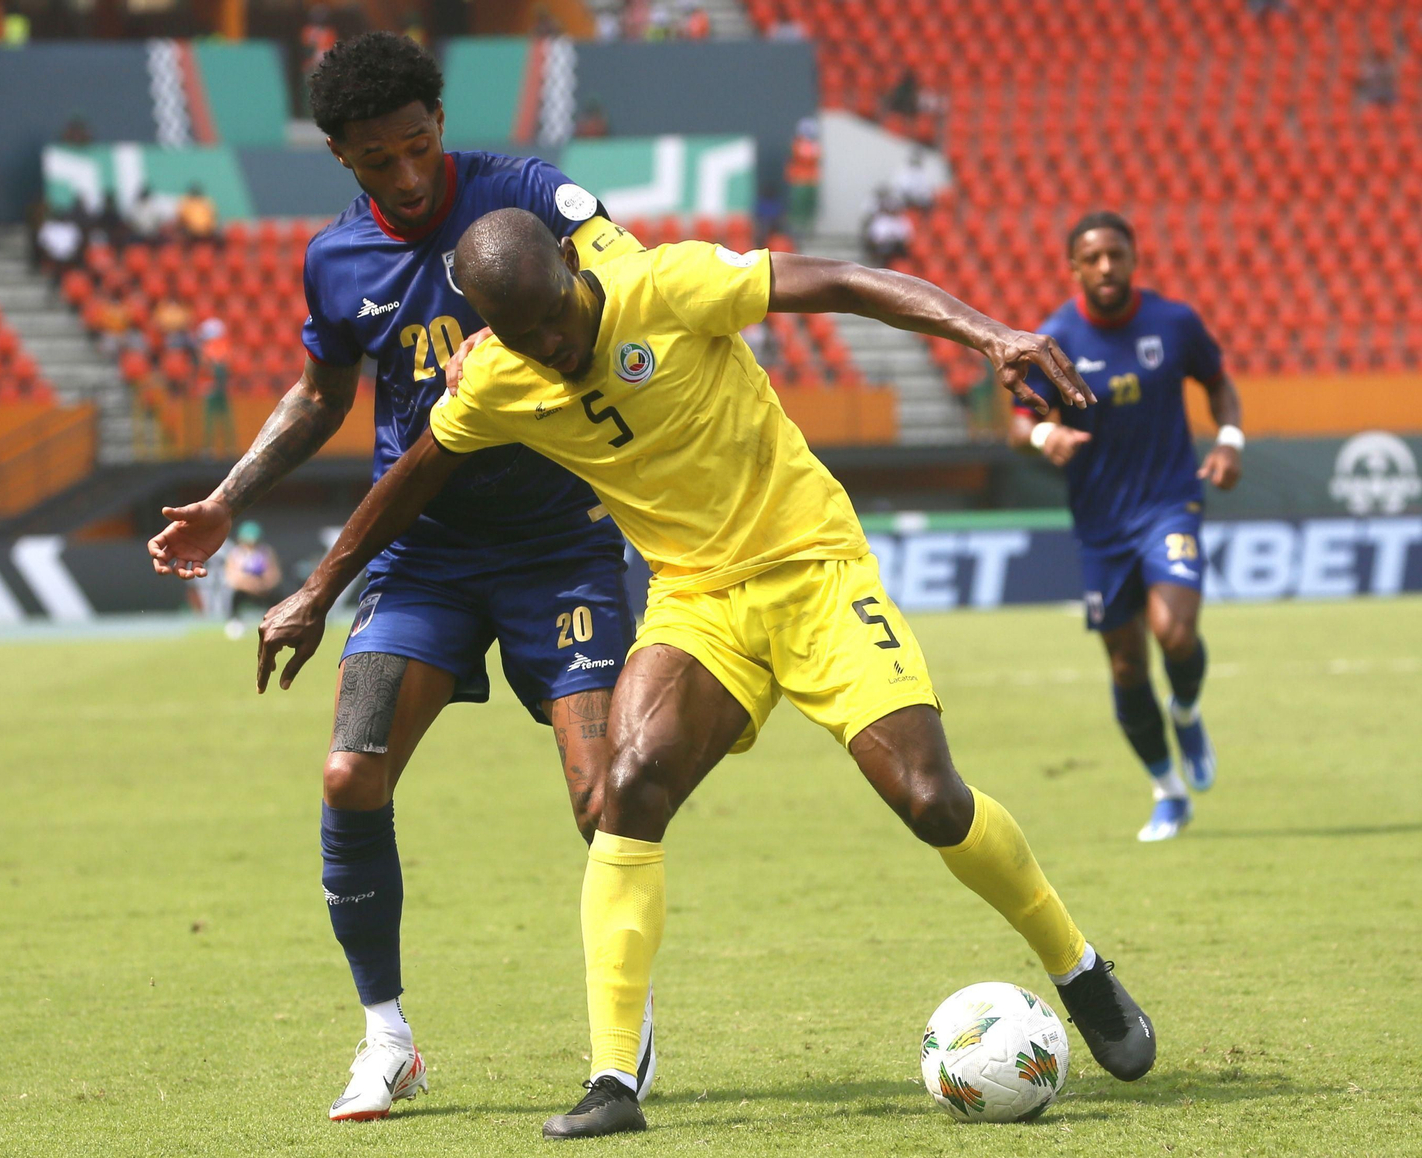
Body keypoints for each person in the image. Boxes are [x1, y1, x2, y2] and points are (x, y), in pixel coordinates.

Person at [254, 208, 1159, 1139]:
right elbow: (416, 471)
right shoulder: (493, 376)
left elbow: (840, 281)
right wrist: (318, 591)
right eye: (524, 335)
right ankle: (613, 1079)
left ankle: (1078, 969)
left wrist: (990, 334)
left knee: (929, 797)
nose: (553, 347)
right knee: (626, 788)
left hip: (814, 569)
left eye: (555, 320)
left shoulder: (672, 286)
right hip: (696, 602)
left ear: (571, 264)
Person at [144, 32, 657, 1124]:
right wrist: (229, 497)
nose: (408, 176)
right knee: (347, 776)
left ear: (440, 122)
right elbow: (323, 395)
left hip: (558, 540)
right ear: (341, 156)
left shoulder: (530, 196)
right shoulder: (335, 260)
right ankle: (387, 1039)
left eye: (420, 147)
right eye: (379, 161)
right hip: (418, 553)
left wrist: (530, 333)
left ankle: (622, 1034)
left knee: (602, 798)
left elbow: (630, 285)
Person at [1008, 211, 1243, 843]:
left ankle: (1187, 710)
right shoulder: (1054, 340)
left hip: (1170, 502)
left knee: (1174, 631)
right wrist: (1044, 430)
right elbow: (1017, 423)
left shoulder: (1175, 322)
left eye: (1116, 254)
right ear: (1075, 267)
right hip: (1100, 523)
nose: (1106, 266)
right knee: (1125, 667)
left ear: (1134, 257)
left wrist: (1229, 440)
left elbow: (1221, 387)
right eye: (1093, 257)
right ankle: (1168, 791)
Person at [223, 521, 283, 640]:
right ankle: (235, 623)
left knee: (278, 597)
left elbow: (275, 575)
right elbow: (231, 577)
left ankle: (277, 624)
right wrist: (250, 585)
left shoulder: (266, 552)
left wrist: (263, 585)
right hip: (244, 590)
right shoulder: (235, 554)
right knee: (234, 596)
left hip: (264, 590)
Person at [197, 318, 235, 458]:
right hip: (213, 388)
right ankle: (215, 447)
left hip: (216, 388)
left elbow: (217, 366)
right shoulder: (219, 348)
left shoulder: (214, 348)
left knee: (220, 419)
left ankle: (221, 447)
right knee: (214, 419)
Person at [784, 117, 821, 235]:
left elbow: (816, 158)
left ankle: (809, 229)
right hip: (799, 180)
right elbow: (800, 156)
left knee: (809, 207)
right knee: (798, 206)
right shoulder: (796, 144)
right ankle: (796, 228)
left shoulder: (815, 145)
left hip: (811, 180)